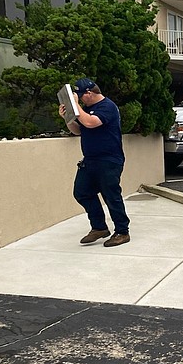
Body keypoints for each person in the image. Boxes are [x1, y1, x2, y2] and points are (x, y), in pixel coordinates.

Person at [59, 77, 130, 247]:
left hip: (109, 160)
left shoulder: (107, 107)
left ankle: (122, 231)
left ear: (89, 93)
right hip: (90, 160)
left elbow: (90, 123)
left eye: (81, 96)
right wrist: (67, 118)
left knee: (111, 196)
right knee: (81, 192)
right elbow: (79, 130)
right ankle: (99, 227)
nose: (81, 100)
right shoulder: (87, 109)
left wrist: (75, 107)